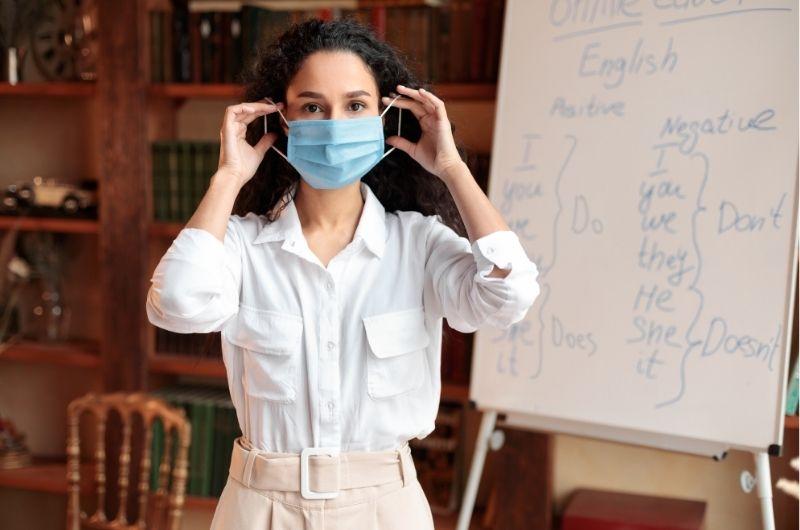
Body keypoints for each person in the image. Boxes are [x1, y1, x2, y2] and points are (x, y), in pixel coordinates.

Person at [146, 17, 540, 530]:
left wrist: (450, 166)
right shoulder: (241, 244)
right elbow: (177, 305)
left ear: (385, 118)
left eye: (355, 106)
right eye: (313, 107)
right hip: (260, 507)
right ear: (280, 121)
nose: (334, 125)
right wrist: (229, 175)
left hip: (385, 505)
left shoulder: (417, 242)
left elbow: (509, 295)